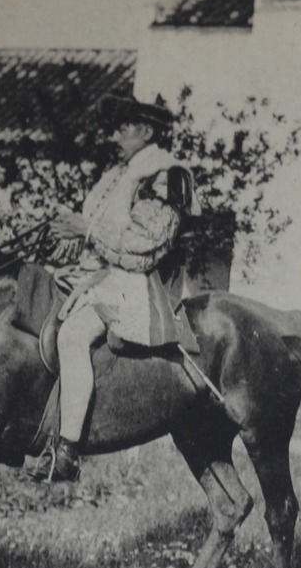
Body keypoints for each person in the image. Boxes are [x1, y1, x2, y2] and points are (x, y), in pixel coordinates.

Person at [27, 95, 198, 483]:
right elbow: (88, 238)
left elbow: (145, 247)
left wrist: (85, 230)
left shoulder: (166, 173)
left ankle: (67, 450)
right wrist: (60, 233)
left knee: (72, 335)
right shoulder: (115, 174)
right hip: (95, 275)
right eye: (114, 127)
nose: (114, 134)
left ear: (148, 131)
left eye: (124, 127)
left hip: (136, 283)